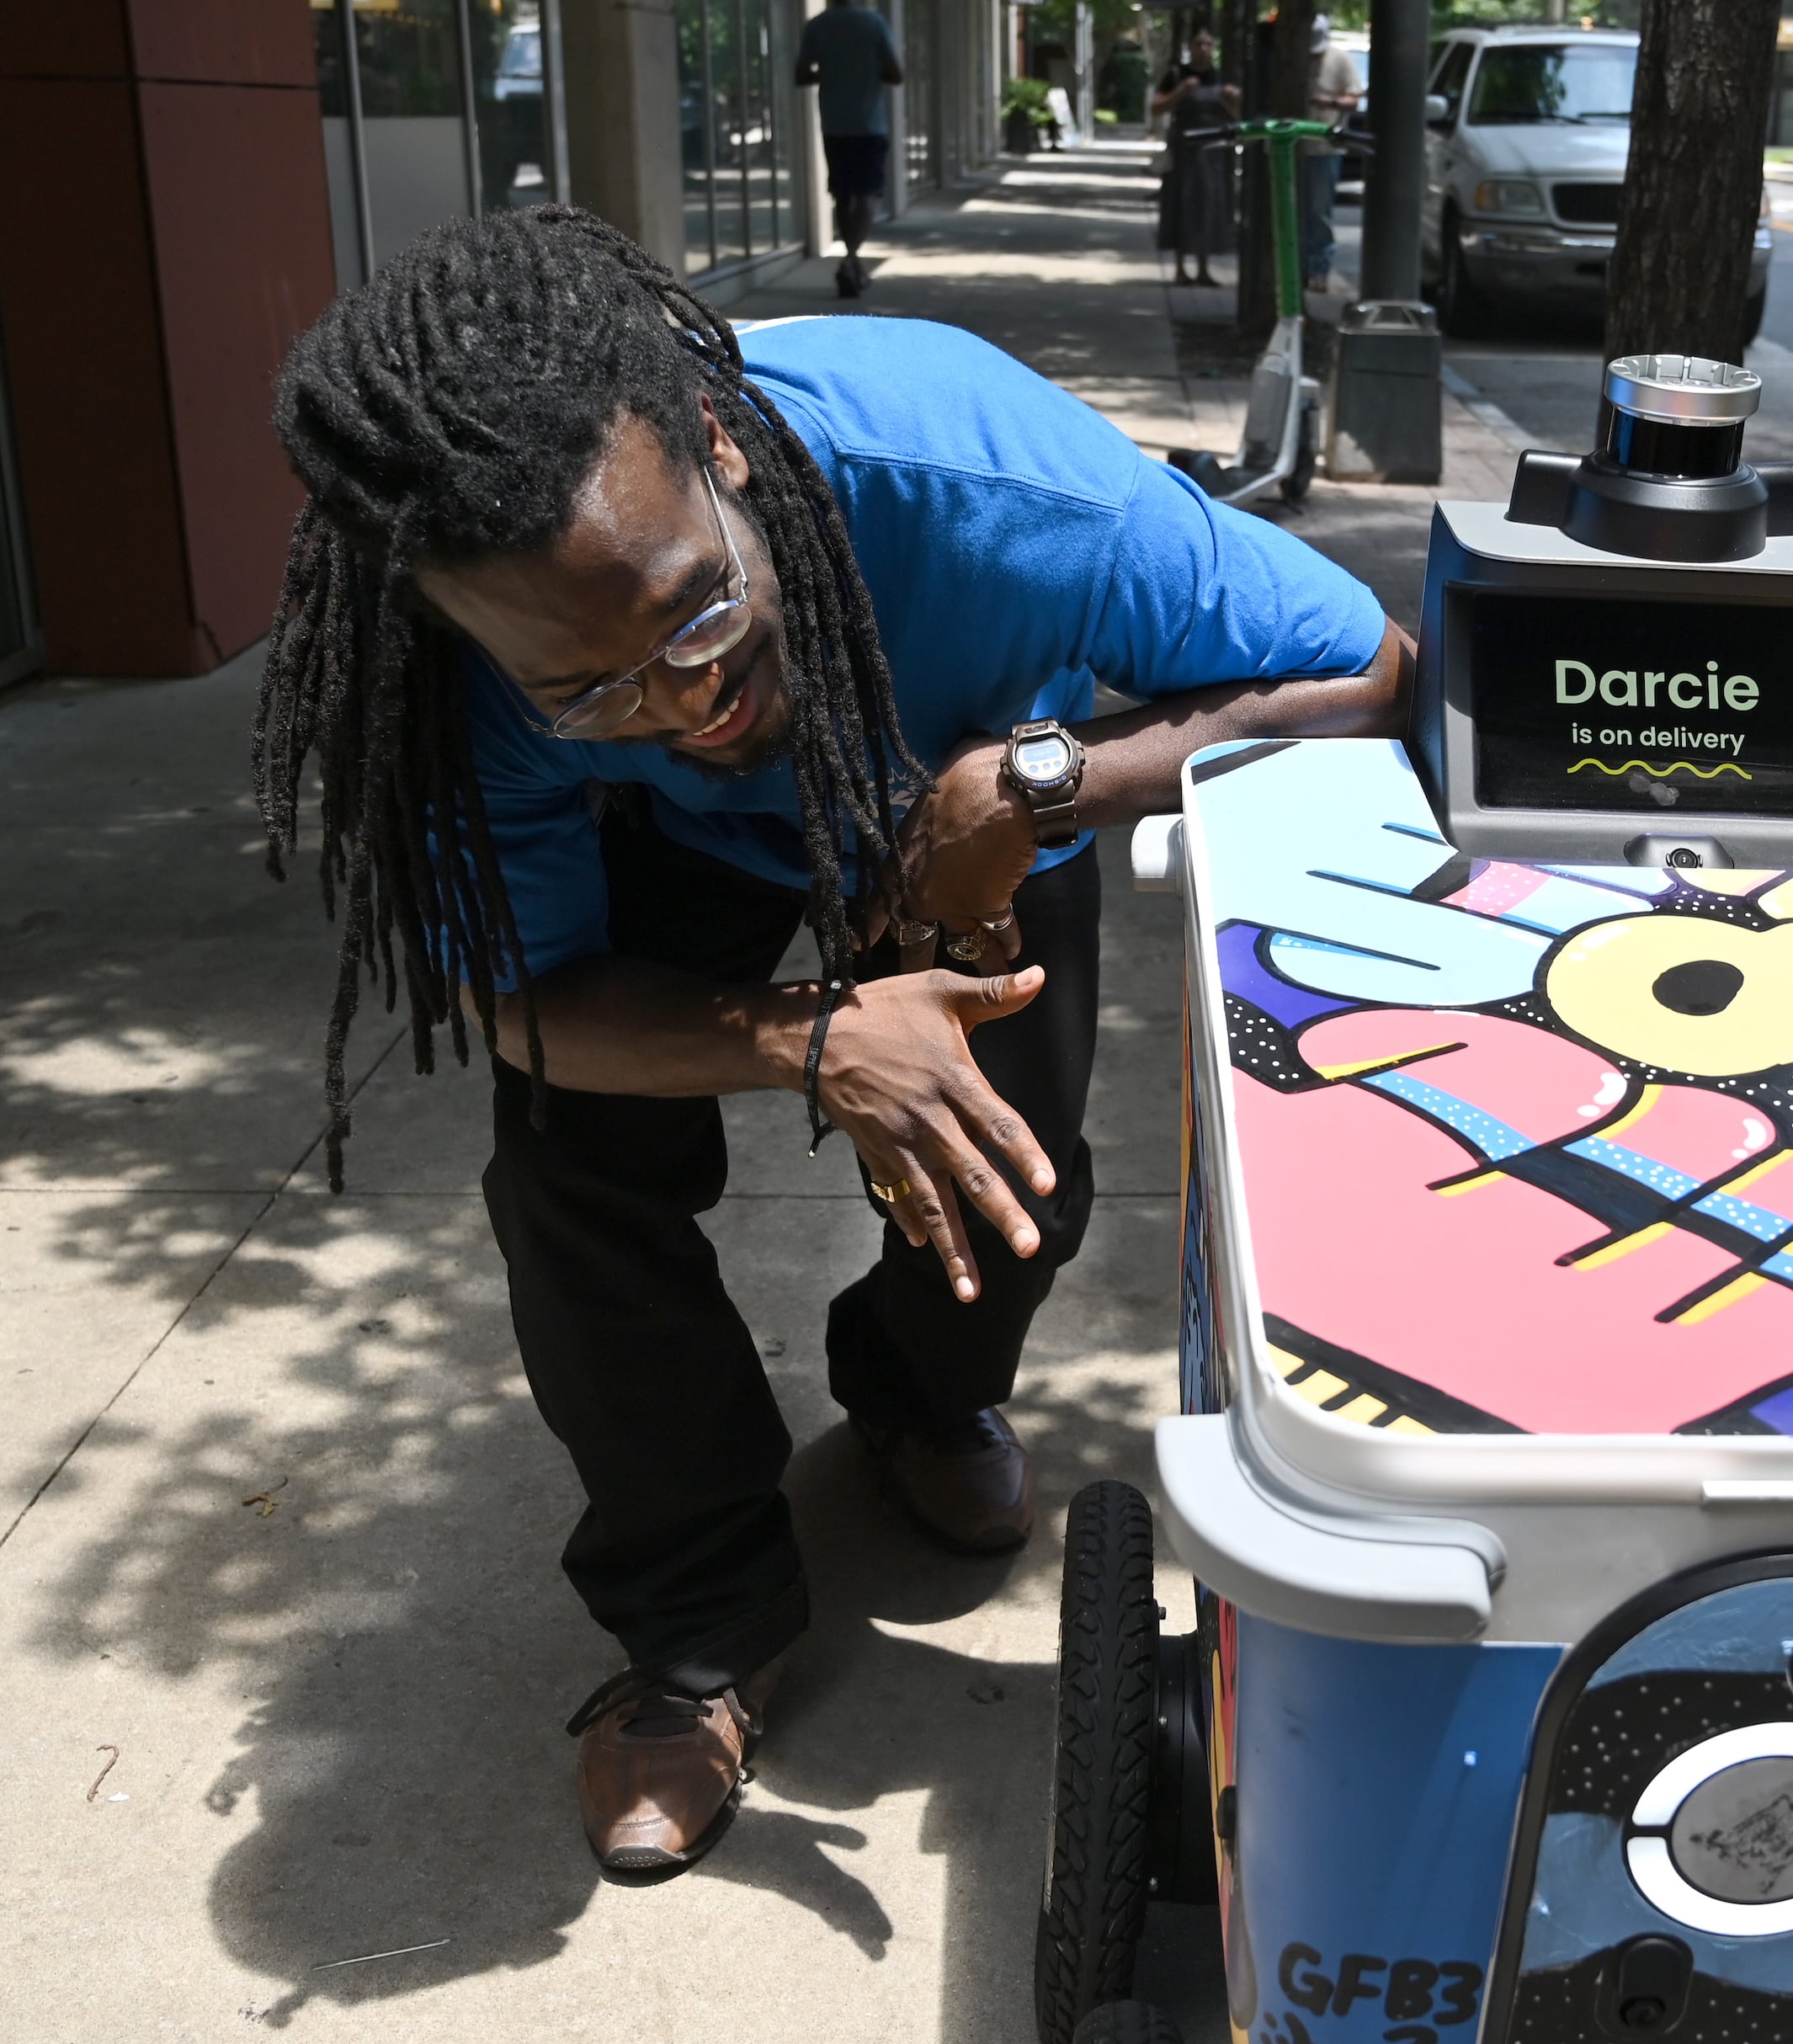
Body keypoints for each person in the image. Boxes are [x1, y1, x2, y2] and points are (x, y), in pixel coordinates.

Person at [253, 207, 1411, 1880]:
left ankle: (919, 1400)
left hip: (962, 794)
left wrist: (1029, 787)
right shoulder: (454, 672)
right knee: (571, 1182)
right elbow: (525, 999)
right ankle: (701, 1624)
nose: (676, 703)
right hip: (654, 866)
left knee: (1017, 1187)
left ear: (721, 452)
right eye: (583, 688)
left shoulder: (993, 485)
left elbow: (1359, 670)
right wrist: (812, 1039)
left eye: (697, 619)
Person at [795, 0, 902, 298]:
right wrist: (867, 71)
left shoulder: (818, 26)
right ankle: (852, 260)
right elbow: (896, 74)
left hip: (835, 123)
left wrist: (831, 72)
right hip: (870, 124)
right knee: (869, 194)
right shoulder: (873, 23)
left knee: (843, 194)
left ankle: (851, 261)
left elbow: (801, 75)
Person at [1151, 29, 1236, 288]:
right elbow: (1156, 107)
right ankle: (1179, 269)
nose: (1204, 48)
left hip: (1213, 152)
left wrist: (1233, 99)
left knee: (1209, 205)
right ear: (1190, 46)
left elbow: (1239, 115)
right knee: (1181, 204)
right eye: (1199, 43)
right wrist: (1181, 92)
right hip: (1183, 151)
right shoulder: (1177, 75)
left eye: (1208, 44)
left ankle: (1203, 269)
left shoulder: (1222, 78)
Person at [1301, 17, 1360, 293]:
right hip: (1295, 146)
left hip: (1324, 148)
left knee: (1319, 212)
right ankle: (1298, 269)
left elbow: (1354, 98)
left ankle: (1319, 270)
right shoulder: (1295, 58)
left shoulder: (1340, 59)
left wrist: (1330, 102)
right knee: (1296, 211)